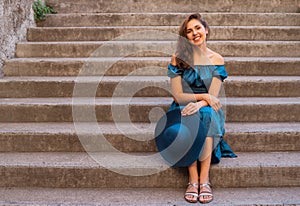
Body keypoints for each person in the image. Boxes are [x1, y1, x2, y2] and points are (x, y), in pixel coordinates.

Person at [156, 13, 237, 204]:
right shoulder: (178, 58)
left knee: (206, 114)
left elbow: (213, 97)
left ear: (206, 30)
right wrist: (203, 96)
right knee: (191, 116)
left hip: (209, 107)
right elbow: (178, 95)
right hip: (183, 105)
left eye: (197, 28)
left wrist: (202, 102)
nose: (194, 33)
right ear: (185, 37)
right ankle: (193, 179)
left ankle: (204, 179)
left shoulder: (217, 59)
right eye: (189, 31)